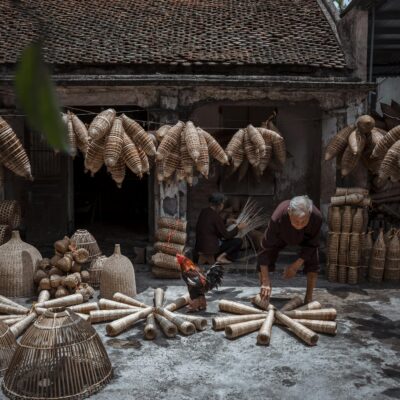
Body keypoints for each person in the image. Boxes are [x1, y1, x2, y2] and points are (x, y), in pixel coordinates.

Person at [258, 195, 322, 304]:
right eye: (296, 221)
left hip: (305, 238)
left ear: (309, 213)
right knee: (267, 256)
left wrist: (295, 267)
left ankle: (309, 298)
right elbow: (265, 248)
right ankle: (265, 294)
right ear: (289, 212)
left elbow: (312, 245)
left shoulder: (316, 217)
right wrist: (265, 280)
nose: (299, 225)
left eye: (303, 221)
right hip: (281, 236)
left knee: (313, 259)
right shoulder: (277, 217)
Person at [194, 193, 246, 264]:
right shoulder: (216, 216)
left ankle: (220, 257)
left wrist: (226, 222)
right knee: (238, 241)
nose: (223, 205)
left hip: (200, 247)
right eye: (223, 204)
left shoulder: (204, 212)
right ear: (220, 205)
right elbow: (226, 236)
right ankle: (222, 257)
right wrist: (238, 228)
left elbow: (212, 225)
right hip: (211, 249)